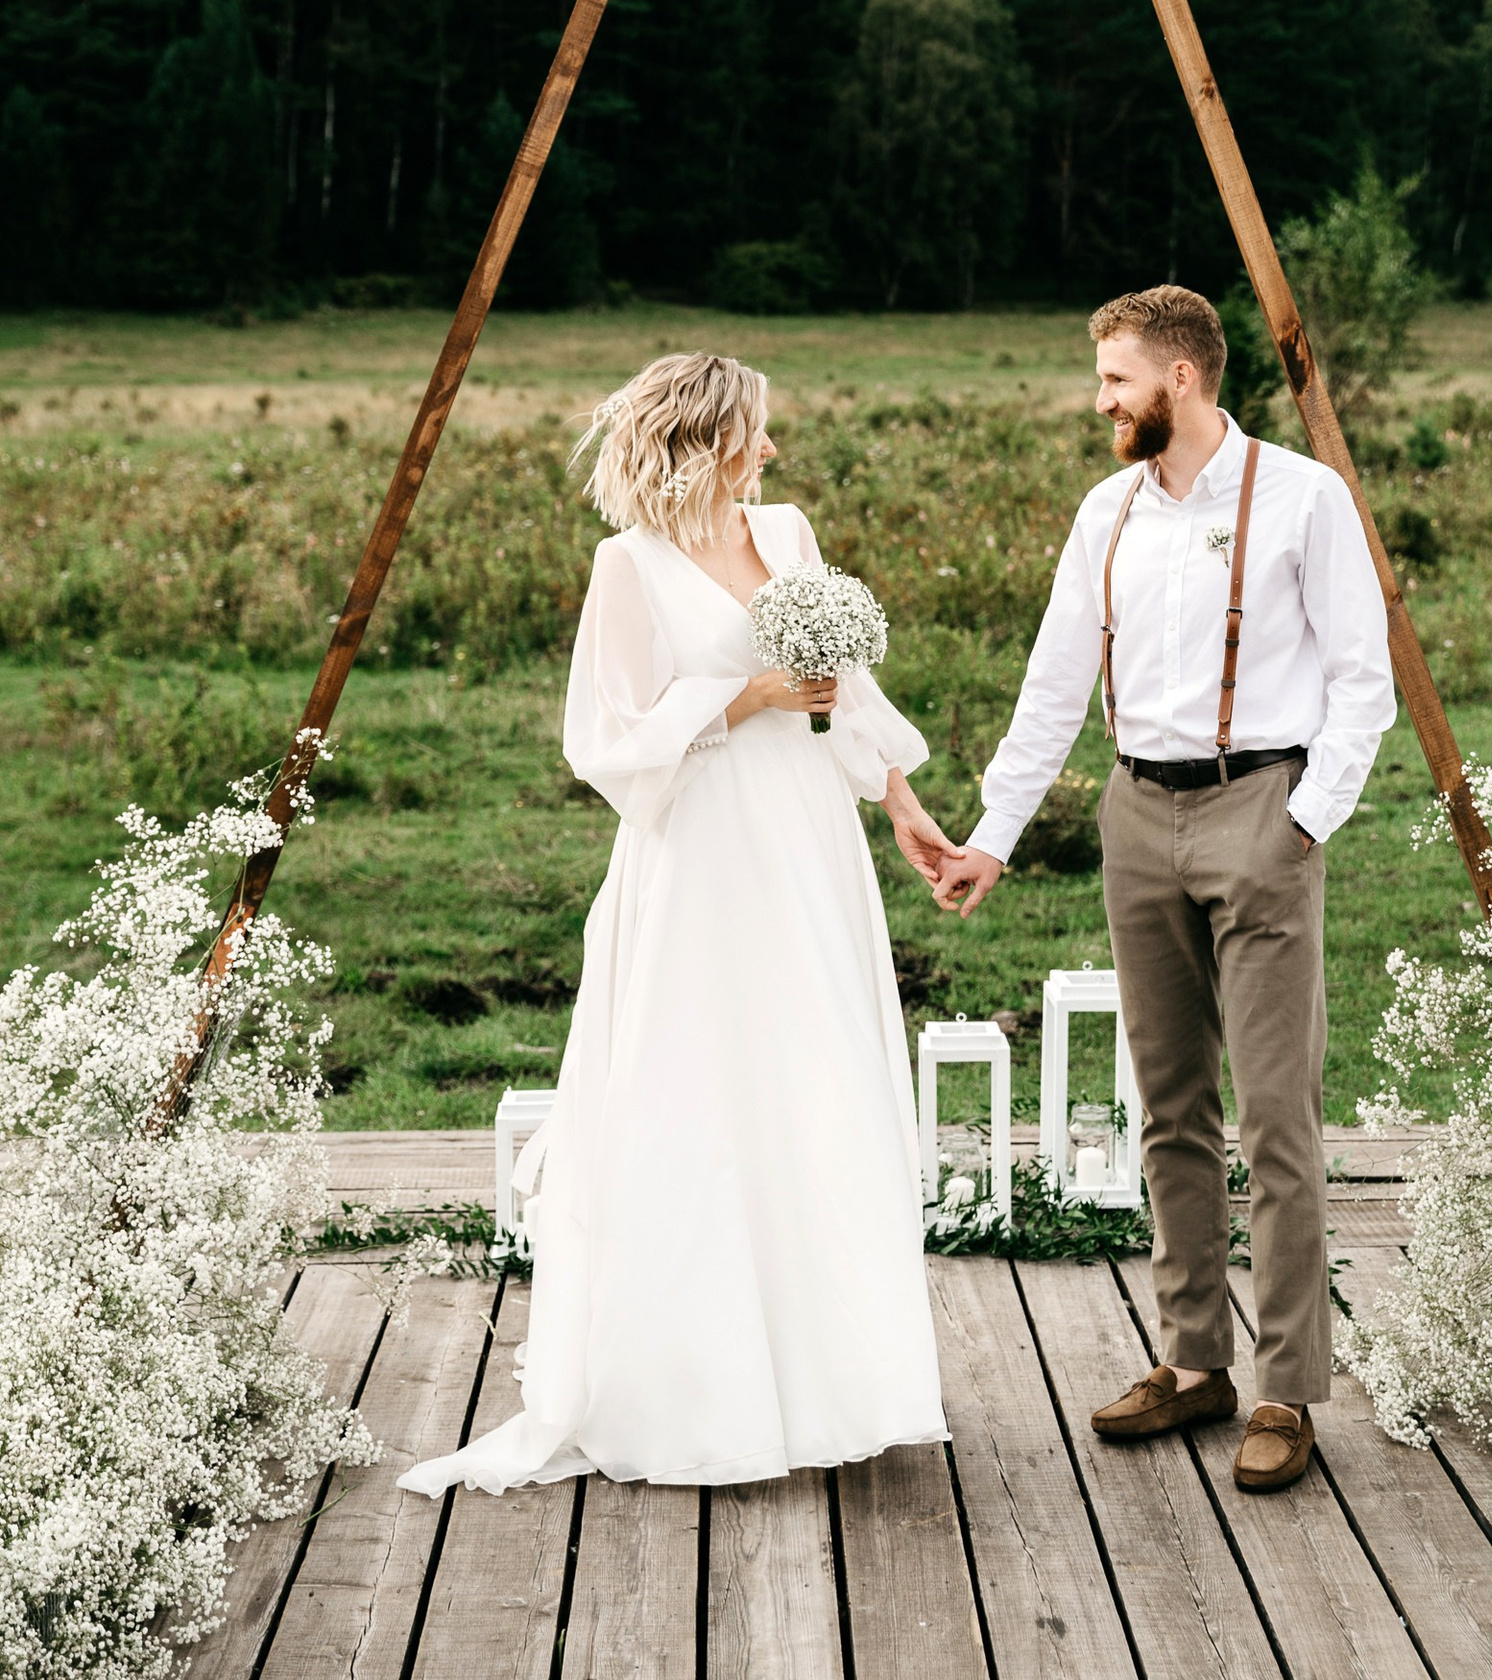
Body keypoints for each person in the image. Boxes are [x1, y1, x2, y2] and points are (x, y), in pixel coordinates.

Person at [401, 351, 955, 1496]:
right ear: (704, 442)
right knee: (699, 1087)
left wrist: (902, 803)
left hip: (807, 840)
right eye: (756, 433)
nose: (773, 451)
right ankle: (703, 1388)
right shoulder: (630, 565)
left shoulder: (788, 534)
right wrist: (747, 696)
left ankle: (835, 1383)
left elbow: (849, 694)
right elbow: (608, 736)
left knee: (818, 1081)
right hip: (701, 852)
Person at [933, 285, 1394, 1493]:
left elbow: (1365, 680)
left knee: (1277, 1116)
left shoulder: (1304, 498)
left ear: (1179, 379)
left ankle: (1286, 1387)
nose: (1101, 402)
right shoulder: (1109, 512)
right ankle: (1196, 1363)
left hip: (1261, 808)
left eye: (1115, 380)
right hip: (1138, 814)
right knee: (1170, 1107)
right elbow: (1052, 684)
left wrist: (1303, 821)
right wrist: (993, 838)